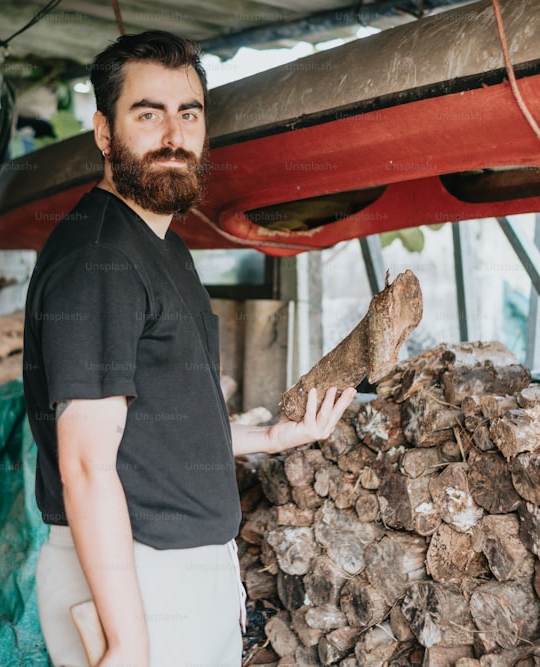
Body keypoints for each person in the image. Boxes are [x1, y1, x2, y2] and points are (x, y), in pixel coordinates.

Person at [22, 30, 357, 667]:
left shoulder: (161, 247)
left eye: (189, 114)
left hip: (172, 571)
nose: (173, 135)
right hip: (134, 574)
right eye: (148, 115)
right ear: (103, 132)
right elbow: (87, 465)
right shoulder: (100, 259)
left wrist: (266, 438)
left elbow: (148, 430)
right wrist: (126, 641)